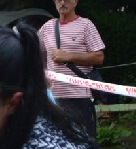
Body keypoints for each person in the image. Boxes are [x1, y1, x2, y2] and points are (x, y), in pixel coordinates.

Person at [38, 0, 105, 140]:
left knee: (85, 141)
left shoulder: (86, 25)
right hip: (54, 98)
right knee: (57, 141)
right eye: (59, 0)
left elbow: (99, 57)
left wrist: (69, 56)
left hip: (80, 97)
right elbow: (34, 53)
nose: (62, 3)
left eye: (67, 0)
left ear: (75, 2)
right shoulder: (47, 27)